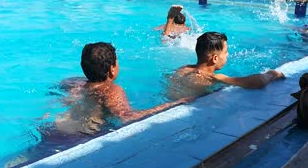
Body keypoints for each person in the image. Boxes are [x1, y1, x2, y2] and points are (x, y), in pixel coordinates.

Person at [53, 42, 189, 135]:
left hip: (55, 128)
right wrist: (172, 104)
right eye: (117, 62)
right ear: (112, 69)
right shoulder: (111, 90)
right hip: (79, 136)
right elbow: (127, 117)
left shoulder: (74, 83)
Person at [167, 32, 285, 99]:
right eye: (226, 52)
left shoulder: (183, 69)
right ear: (215, 58)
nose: (227, 55)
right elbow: (258, 82)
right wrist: (271, 74)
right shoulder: (213, 77)